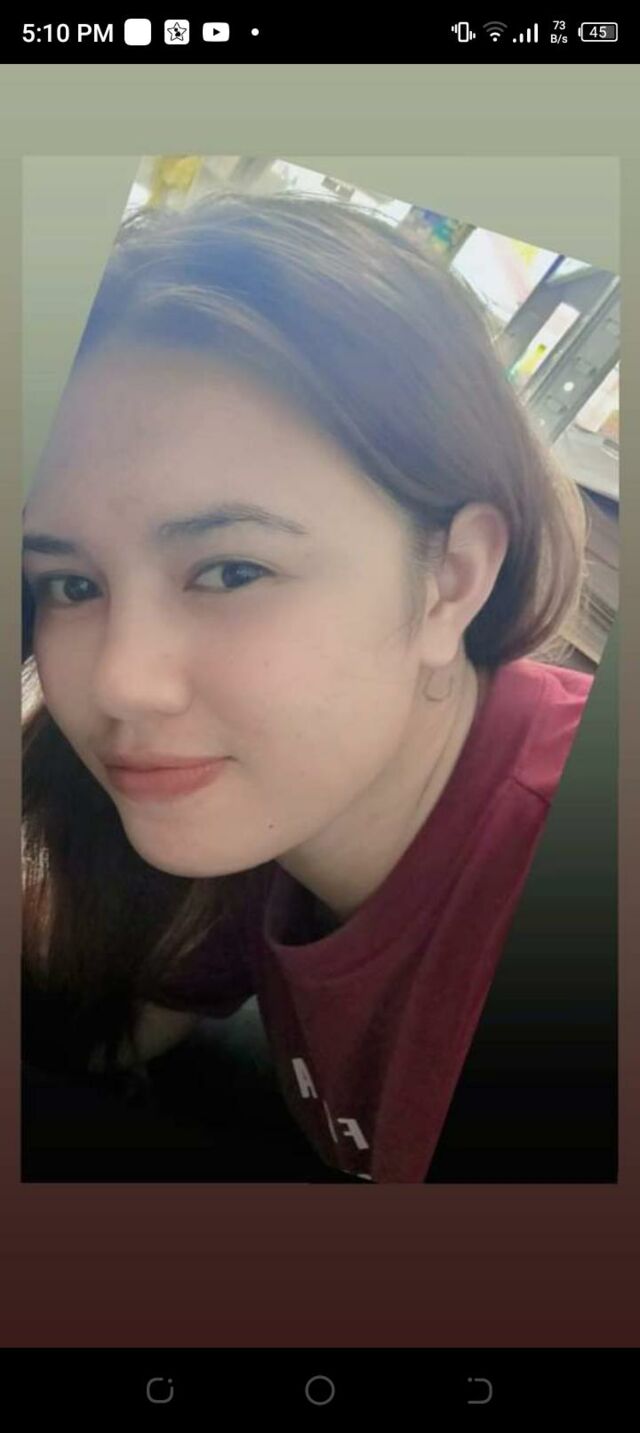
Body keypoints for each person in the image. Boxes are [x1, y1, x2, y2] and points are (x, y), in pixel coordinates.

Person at [21, 190, 594, 1183]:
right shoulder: (275, 801)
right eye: (71, 584)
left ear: (452, 576)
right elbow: (114, 1012)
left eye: (231, 570)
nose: (120, 680)